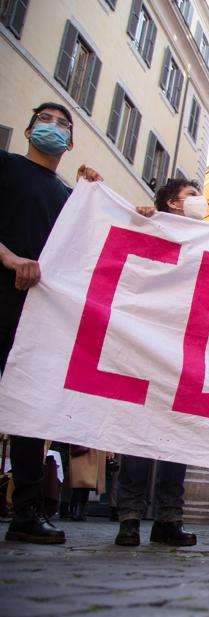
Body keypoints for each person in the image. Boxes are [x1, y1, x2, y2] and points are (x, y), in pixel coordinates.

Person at [2, 102, 102, 544]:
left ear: (71, 142)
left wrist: (96, 198)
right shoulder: (5, 166)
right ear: (28, 129)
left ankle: (26, 510)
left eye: (64, 124)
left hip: (36, 317)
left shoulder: (67, 195)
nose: (54, 128)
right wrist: (8, 257)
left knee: (28, 414)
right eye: (46, 119)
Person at [115, 178, 209, 547]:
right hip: (144, 342)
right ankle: (129, 518)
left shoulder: (207, 238)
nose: (199, 202)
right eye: (192, 197)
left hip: (184, 349)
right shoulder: (150, 224)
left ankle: (169, 519)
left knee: (176, 436)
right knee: (137, 435)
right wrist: (139, 219)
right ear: (172, 203)